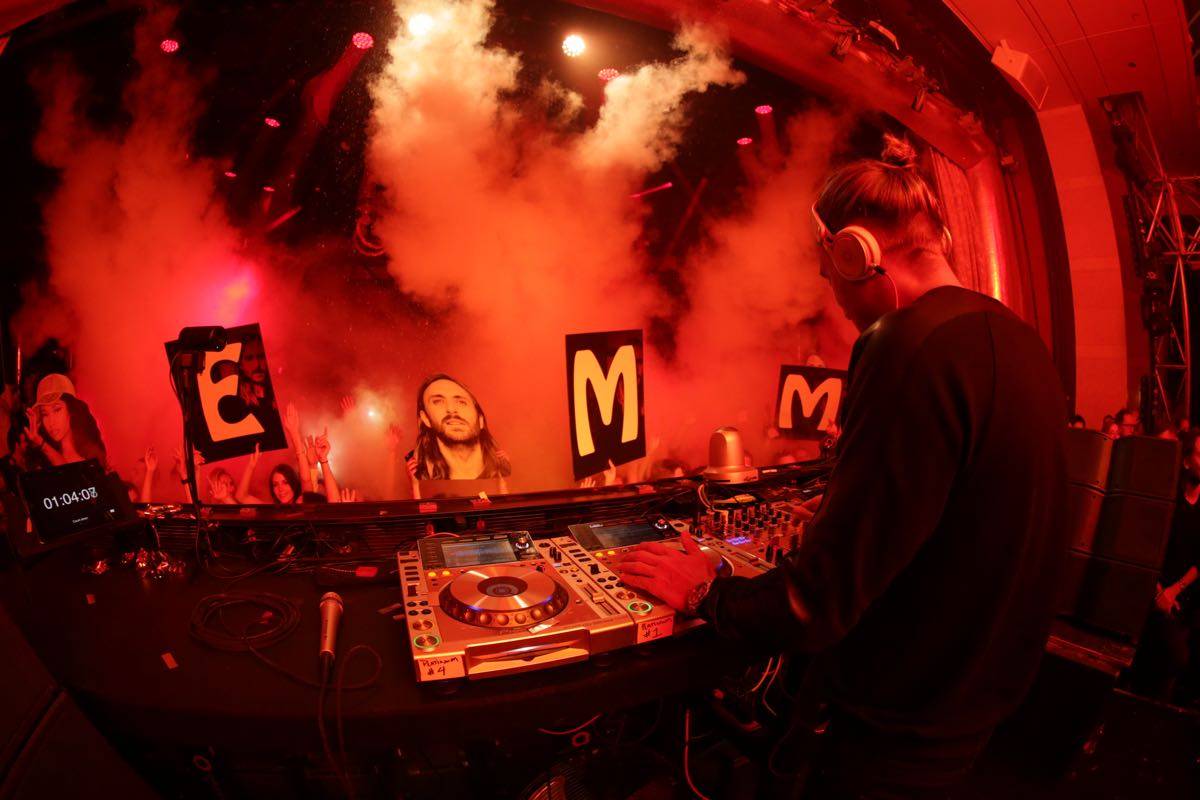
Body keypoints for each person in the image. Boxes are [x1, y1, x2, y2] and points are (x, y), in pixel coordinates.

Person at [616, 135, 1069, 798]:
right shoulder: (1018, 338)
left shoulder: (906, 345)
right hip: (973, 715)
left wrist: (705, 592)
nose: (834, 296)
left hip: (890, 735)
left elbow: (818, 605)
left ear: (856, 253)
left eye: (829, 274)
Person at [1130, 429, 1200, 704]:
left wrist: (1176, 589)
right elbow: (1146, 546)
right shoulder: (1168, 498)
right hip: (1157, 592)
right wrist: (1160, 591)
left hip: (1185, 595)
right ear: (1186, 461)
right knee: (1170, 655)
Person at [412, 374, 511, 481]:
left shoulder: (505, 472)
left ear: (480, 419)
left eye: (461, 402)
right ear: (425, 418)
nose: (451, 409)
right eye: (438, 401)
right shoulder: (422, 479)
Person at [22, 374, 108, 470]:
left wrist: (42, 443)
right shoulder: (41, 459)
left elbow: (70, 474)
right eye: (45, 414)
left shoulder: (92, 453)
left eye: (57, 410)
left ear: (71, 409)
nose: (51, 422)